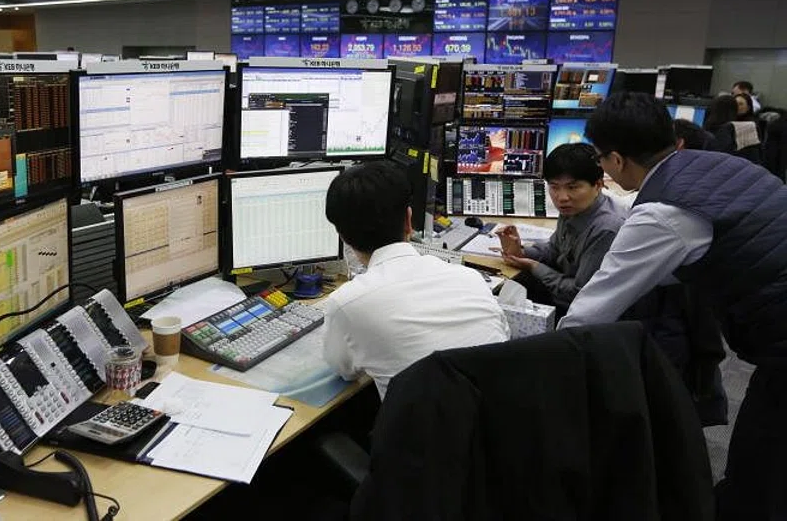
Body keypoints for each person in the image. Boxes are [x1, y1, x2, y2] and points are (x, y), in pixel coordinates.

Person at [557, 91, 787, 521]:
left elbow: (592, 309)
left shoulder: (662, 213)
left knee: (757, 477)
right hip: (774, 328)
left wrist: (544, 360)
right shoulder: (718, 164)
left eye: (601, 160)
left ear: (616, 160)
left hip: (780, 342)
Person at [322, 161, 509, 400]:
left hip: (424, 424)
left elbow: (345, 371)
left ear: (342, 236)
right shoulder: (471, 278)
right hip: (503, 417)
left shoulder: (346, 303)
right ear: (409, 221)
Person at [495, 143, 625, 318]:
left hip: (585, 313)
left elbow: (579, 293)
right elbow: (555, 250)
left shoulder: (606, 228)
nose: (562, 198)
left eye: (573, 187)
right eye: (554, 187)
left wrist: (534, 266)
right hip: (565, 295)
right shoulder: (575, 208)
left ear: (598, 185)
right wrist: (521, 251)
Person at [704, 94, 763, 164]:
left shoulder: (708, 130)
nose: (738, 107)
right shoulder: (743, 128)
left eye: (741, 104)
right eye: (736, 105)